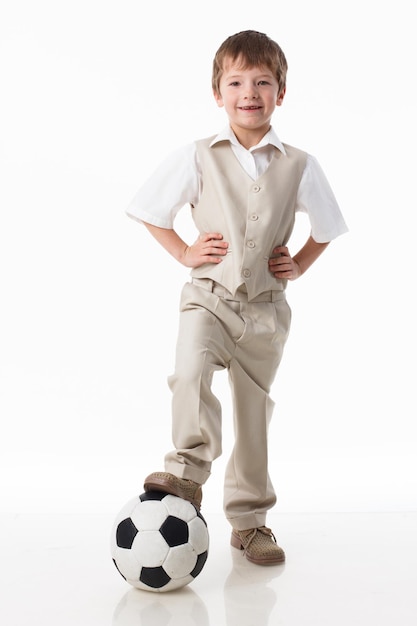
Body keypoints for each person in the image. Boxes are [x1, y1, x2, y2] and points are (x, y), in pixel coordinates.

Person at [126, 30, 348, 565]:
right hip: (208, 295)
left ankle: (250, 524)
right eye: (237, 82)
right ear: (218, 93)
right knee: (191, 368)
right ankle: (185, 471)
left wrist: (298, 262)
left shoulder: (299, 164)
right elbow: (150, 210)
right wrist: (184, 251)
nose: (250, 93)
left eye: (263, 82)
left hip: (266, 310)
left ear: (281, 92)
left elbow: (328, 227)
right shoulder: (200, 156)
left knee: (253, 413)